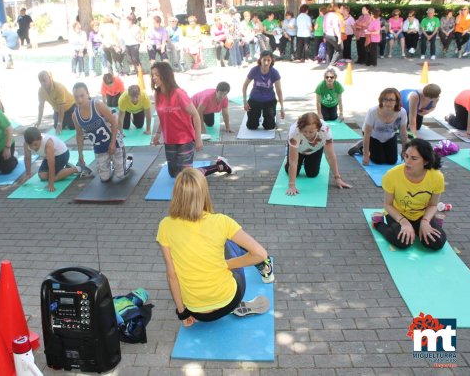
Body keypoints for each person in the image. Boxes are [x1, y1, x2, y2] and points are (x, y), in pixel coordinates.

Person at [157, 168, 274, 326]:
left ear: (176, 194)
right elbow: (260, 253)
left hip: (197, 312)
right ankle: (263, 269)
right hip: (229, 302)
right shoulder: (221, 221)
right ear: (204, 193)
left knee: (213, 246)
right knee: (229, 243)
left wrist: (183, 314)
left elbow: (172, 275)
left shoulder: (165, 225)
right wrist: (227, 264)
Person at [150, 62, 231, 177]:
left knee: (186, 175)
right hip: (169, 140)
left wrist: (198, 139)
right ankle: (217, 166)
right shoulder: (157, 95)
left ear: (166, 75)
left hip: (185, 139)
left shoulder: (179, 94)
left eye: (157, 75)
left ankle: (219, 166)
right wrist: (158, 134)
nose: (154, 78)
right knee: (173, 174)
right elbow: (163, 117)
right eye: (152, 75)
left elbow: (196, 115)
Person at [373, 139, 446, 251]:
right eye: (406, 156)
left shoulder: (437, 177)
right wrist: (404, 222)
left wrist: (425, 221)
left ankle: (424, 226)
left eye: (414, 158)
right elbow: (388, 205)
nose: (407, 161)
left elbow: (433, 205)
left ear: (426, 161)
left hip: (422, 215)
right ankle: (378, 224)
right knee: (402, 242)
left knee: (437, 242)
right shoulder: (391, 175)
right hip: (397, 214)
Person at [72, 82, 132, 182]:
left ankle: (128, 160)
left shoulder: (97, 105)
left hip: (114, 140)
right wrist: (80, 154)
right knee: (105, 178)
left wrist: (113, 143)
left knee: (120, 175)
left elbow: (113, 123)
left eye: (82, 95)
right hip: (99, 146)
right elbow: (79, 135)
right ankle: (112, 163)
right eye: (76, 97)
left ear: (88, 93)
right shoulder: (75, 115)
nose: (79, 100)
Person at [285, 112, 352, 196]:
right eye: (305, 131)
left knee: (312, 174)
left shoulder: (325, 130)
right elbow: (293, 162)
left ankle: (306, 161)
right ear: (301, 128)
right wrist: (292, 185)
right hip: (298, 150)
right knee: (292, 171)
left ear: (318, 129)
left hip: (314, 149)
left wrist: (337, 178)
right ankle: (294, 160)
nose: (308, 134)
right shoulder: (294, 131)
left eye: (311, 132)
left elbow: (330, 156)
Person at [348, 88, 408, 165]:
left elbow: (403, 133)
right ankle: (361, 147)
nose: (388, 102)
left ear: (397, 101)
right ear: (381, 100)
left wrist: (404, 151)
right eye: (385, 99)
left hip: (389, 136)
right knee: (379, 160)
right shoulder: (373, 111)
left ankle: (379, 148)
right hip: (373, 136)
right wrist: (366, 155)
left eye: (391, 100)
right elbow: (367, 134)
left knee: (392, 161)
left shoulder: (402, 112)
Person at [23, 127, 82, 192]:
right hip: (48, 157)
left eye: (35, 144)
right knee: (42, 176)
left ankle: (78, 168)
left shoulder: (48, 143)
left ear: (41, 139)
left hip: (62, 155)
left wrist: (51, 183)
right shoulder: (26, 144)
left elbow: (51, 164)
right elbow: (27, 158)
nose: (33, 147)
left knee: (54, 178)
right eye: (30, 145)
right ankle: (65, 169)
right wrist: (28, 174)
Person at [242, 50, 284, 130]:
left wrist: (282, 107)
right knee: (251, 126)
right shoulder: (254, 70)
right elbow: (245, 85)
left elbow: (279, 91)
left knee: (269, 126)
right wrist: (245, 101)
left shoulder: (274, 72)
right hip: (255, 99)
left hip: (269, 101)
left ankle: (269, 117)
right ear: (260, 60)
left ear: (271, 61)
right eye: (264, 60)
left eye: (268, 60)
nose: (266, 63)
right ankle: (257, 115)